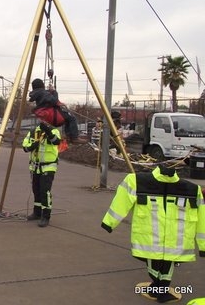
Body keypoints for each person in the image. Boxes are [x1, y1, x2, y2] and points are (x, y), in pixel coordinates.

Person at [101, 165, 205, 303]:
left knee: (165, 266)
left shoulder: (193, 190)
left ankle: (160, 290)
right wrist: (110, 222)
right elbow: (121, 201)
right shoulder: (136, 181)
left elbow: (202, 219)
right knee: (159, 265)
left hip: (173, 242)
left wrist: (203, 245)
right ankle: (159, 289)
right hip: (150, 239)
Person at [22, 121, 61, 227]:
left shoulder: (53, 131)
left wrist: (48, 131)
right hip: (35, 167)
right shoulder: (33, 132)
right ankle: (37, 212)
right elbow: (25, 146)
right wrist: (32, 146)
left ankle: (46, 216)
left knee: (45, 191)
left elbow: (56, 142)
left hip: (48, 166)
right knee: (36, 190)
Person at [28, 78, 85, 145]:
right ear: (42, 85)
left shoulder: (37, 94)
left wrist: (50, 91)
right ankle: (74, 137)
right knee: (72, 118)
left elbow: (46, 98)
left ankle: (69, 137)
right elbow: (54, 100)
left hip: (48, 116)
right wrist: (54, 91)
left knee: (67, 120)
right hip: (53, 115)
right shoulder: (43, 93)